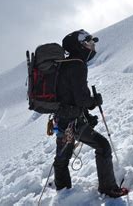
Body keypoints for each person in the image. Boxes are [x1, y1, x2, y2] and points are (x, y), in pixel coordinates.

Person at [53, 29, 128, 198]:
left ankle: (63, 193)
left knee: (62, 158)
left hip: (63, 119)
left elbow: (70, 95)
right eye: (88, 43)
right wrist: (95, 102)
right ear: (79, 46)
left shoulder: (64, 64)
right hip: (72, 122)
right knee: (103, 146)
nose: (92, 46)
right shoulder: (77, 65)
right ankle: (108, 188)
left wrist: (86, 115)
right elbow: (81, 98)